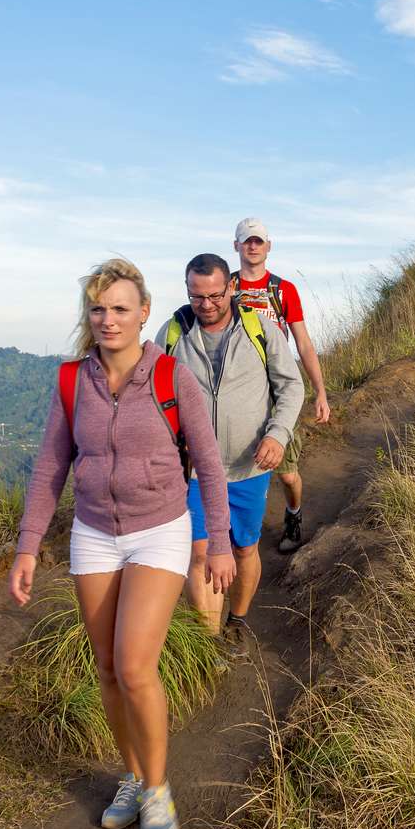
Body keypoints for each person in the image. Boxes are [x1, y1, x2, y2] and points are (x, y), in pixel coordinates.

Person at [11, 258, 236, 829]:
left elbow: (209, 465)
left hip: (159, 529)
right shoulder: (71, 382)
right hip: (92, 533)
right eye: (98, 308)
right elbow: (51, 467)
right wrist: (27, 546)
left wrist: (215, 544)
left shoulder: (170, 377)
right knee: (108, 669)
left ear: (143, 314)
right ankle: (133, 777)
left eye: (120, 308)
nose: (108, 319)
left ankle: (158, 788)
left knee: (135, 665)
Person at [164, 253, 304, 639]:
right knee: (201, 552)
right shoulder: (174, 333)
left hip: (248, 466)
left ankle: (237, 621)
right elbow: (153, 392)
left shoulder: (260, 330)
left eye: (214, 295)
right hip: (192, 471)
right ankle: (208, 642)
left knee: (243, 550)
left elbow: (292, 386)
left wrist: (278, 434)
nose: (206, 305)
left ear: (231, 288)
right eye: (196, 296)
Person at [229, 217, 329, 555]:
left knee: (287, 473)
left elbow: (303, 343)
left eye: (258, 241)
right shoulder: (225, 288)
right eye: (247, 241)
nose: (253, 246)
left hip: (275, 389)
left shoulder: (284, 290)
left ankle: (293, 514)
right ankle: (234, 531)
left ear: (268, 246)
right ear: (236, 246)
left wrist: (320, 392)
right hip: (235, 389)